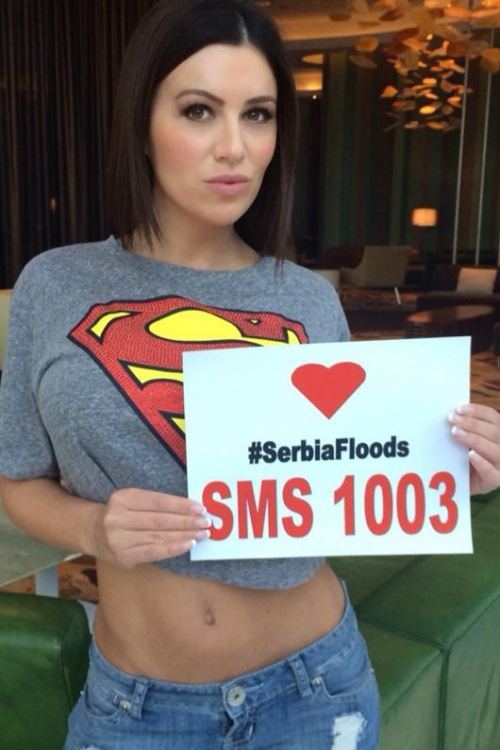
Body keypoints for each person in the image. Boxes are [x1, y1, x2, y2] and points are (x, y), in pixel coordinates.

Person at [0, 1, 499, 748]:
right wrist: (91, 526)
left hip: (315, 689)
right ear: (142, 122)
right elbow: (16, 478)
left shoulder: (308, 299)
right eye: (198, 110)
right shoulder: (55, 284)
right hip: (137, 707)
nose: (233, 147)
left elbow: (340, 469)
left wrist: (449, 465)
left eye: (258, 115)